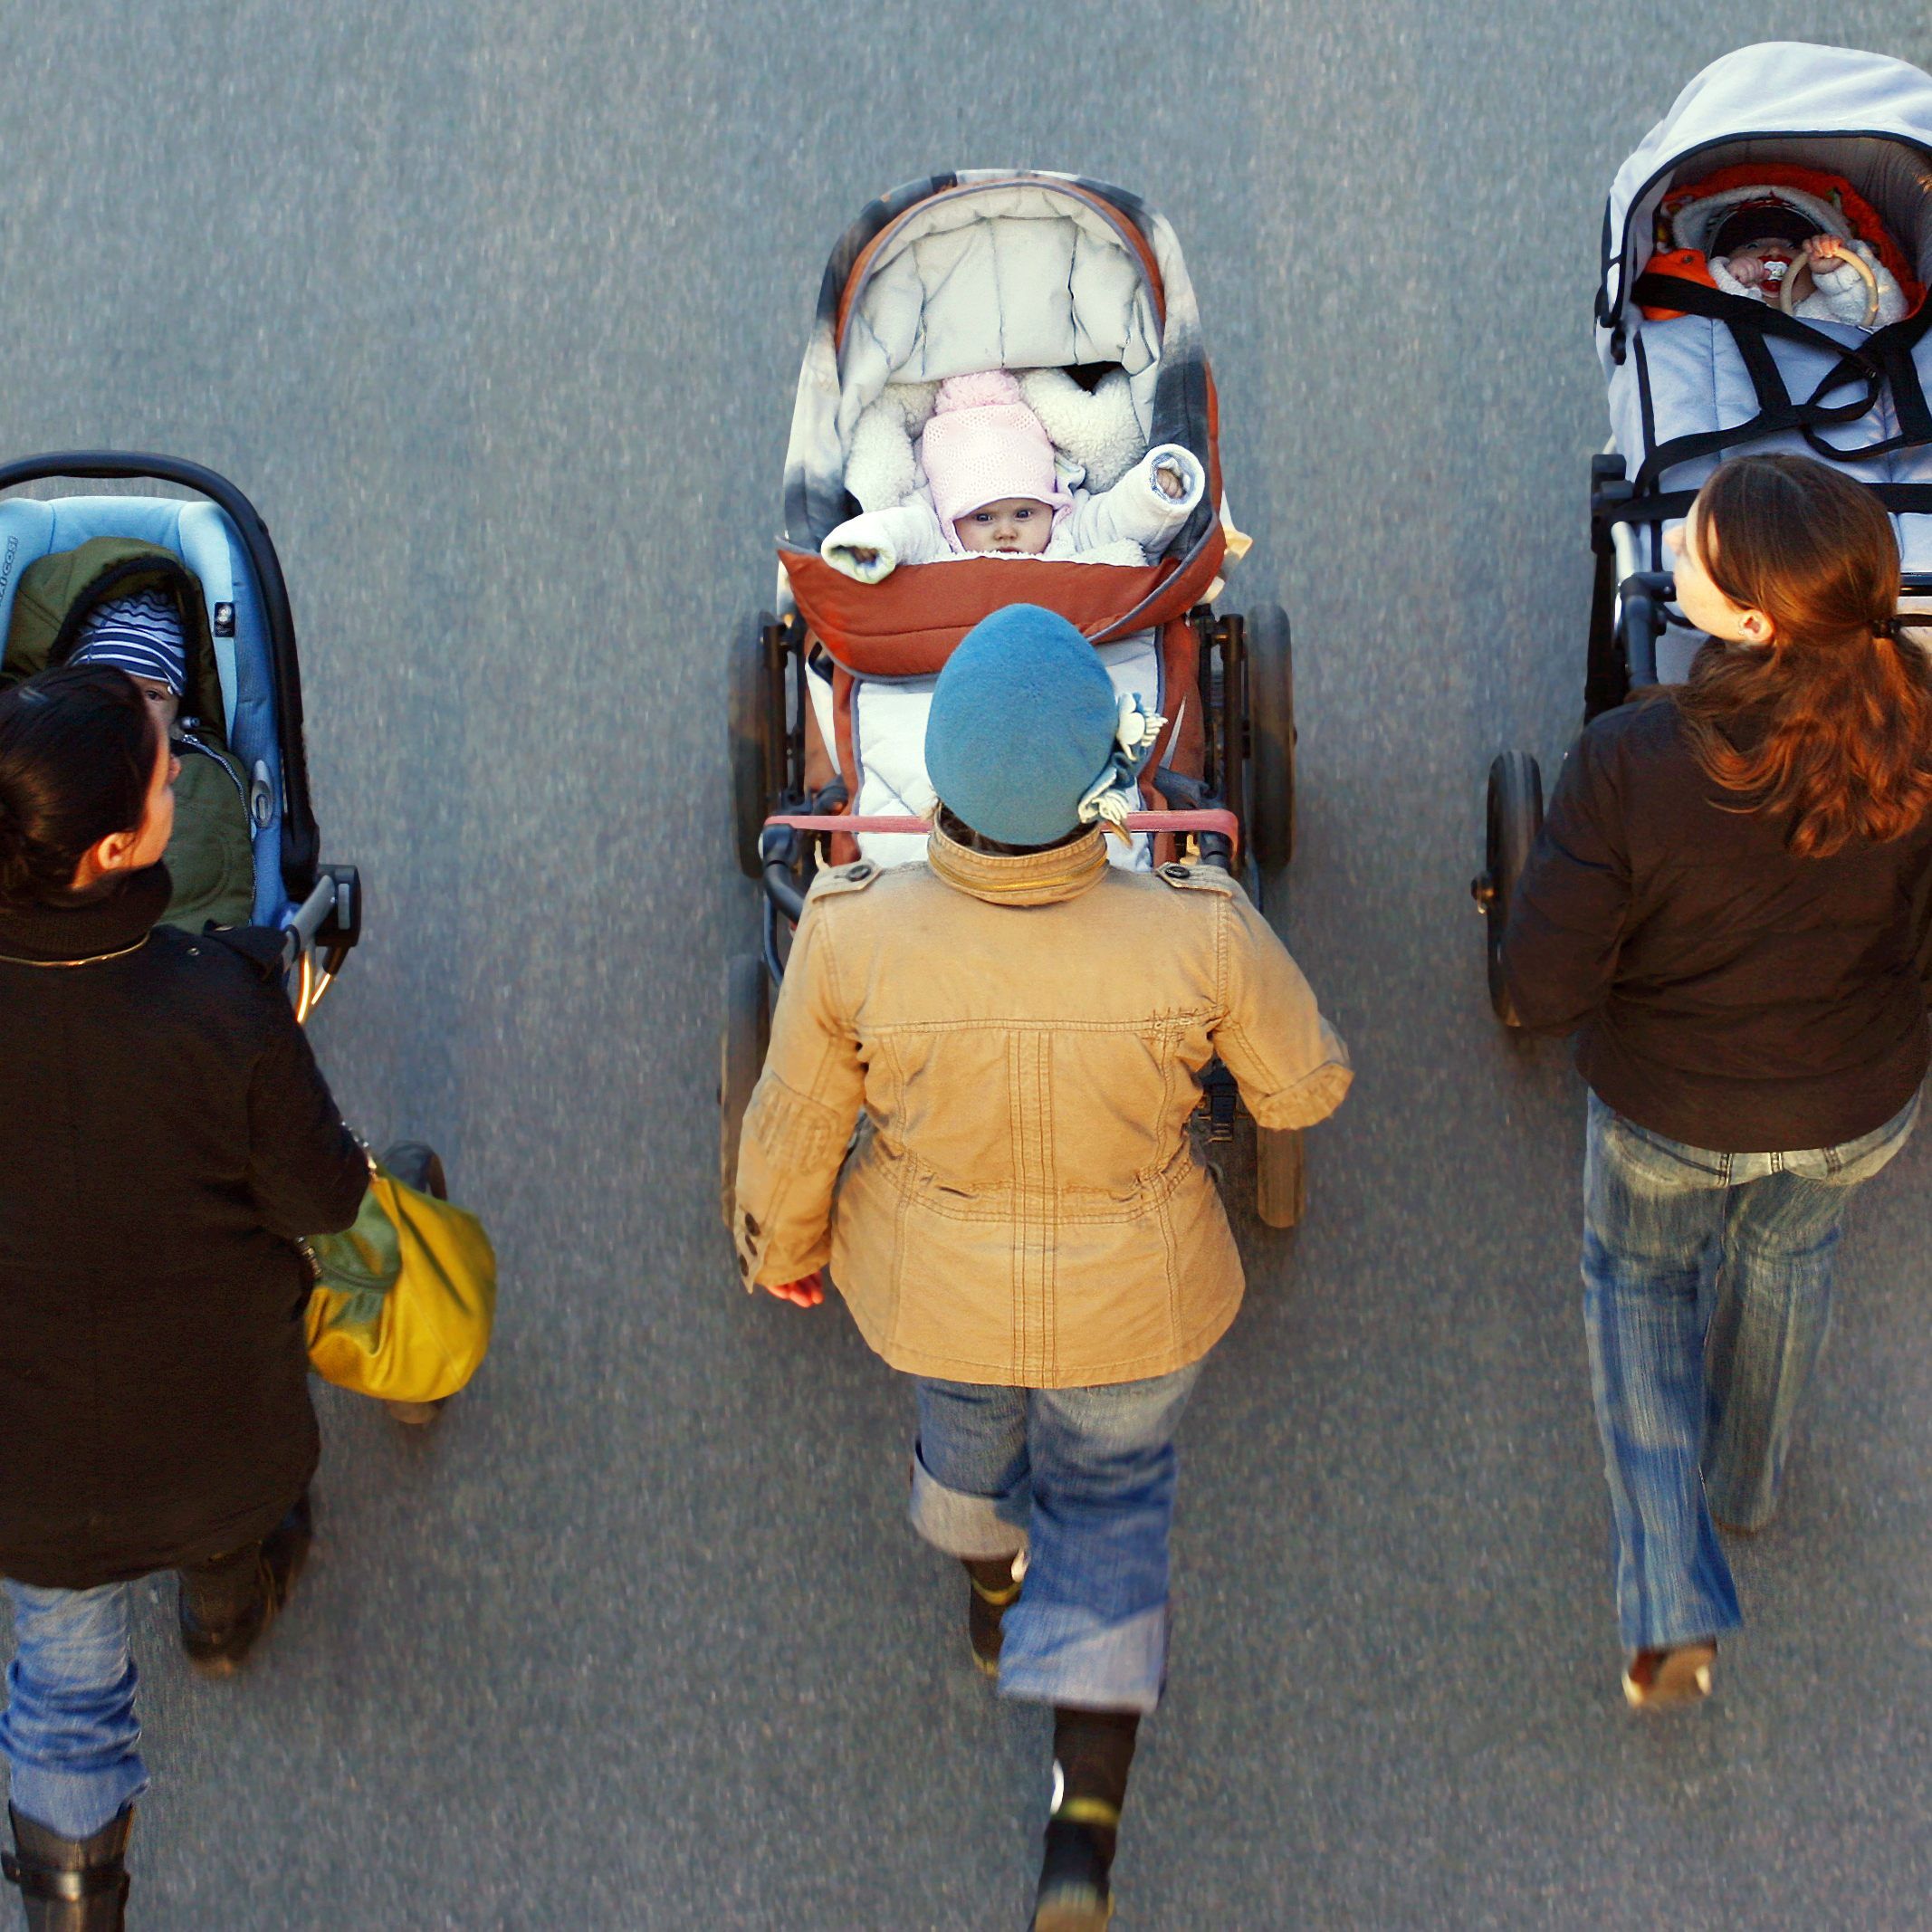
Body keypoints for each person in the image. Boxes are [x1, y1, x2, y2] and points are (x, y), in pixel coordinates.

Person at [732, 604, 1352, 1930]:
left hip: (937, 1290)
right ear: (1103, 791)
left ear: (939, 780)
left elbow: (792, 1126)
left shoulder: (851, 935)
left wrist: (780, 1251)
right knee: (1114, 1499)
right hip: (1139, 1299)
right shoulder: (1195, 927)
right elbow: (1301, 1089)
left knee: (965, 1438)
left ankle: (991, 1582)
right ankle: (1080, 1818)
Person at [1502, 454, 1932, 1712]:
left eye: (1691, 550)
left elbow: (1539, 986)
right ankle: (1744, 1486)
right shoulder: (1915, 720)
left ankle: (1670, 1597)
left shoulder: (1634, 755)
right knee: (1787, 1258)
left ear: (1749, 621)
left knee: (1637, 1289)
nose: (1671, 558)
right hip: (1852, 1107)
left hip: (1668, 1112)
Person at [0, 665, 368, 1927]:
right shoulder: (221, 1007)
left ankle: (72, 1909)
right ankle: (222, 1607)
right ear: (117, 848)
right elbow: (323, 1206)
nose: (177, 785)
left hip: (26, 1460)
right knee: (224, 1514)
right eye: (167, 779)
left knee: (61, 1691)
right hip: (217, 1428)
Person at [819, 369, 1204, 581]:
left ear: (1050, 504)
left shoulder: (1067, 527)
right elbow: (899, 529)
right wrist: (868, 543)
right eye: (983, 517)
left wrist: (1156, 492)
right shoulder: (937, 538)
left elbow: (1116, 517)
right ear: (950, 519)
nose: (1006, 532)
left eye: (1023, 514)